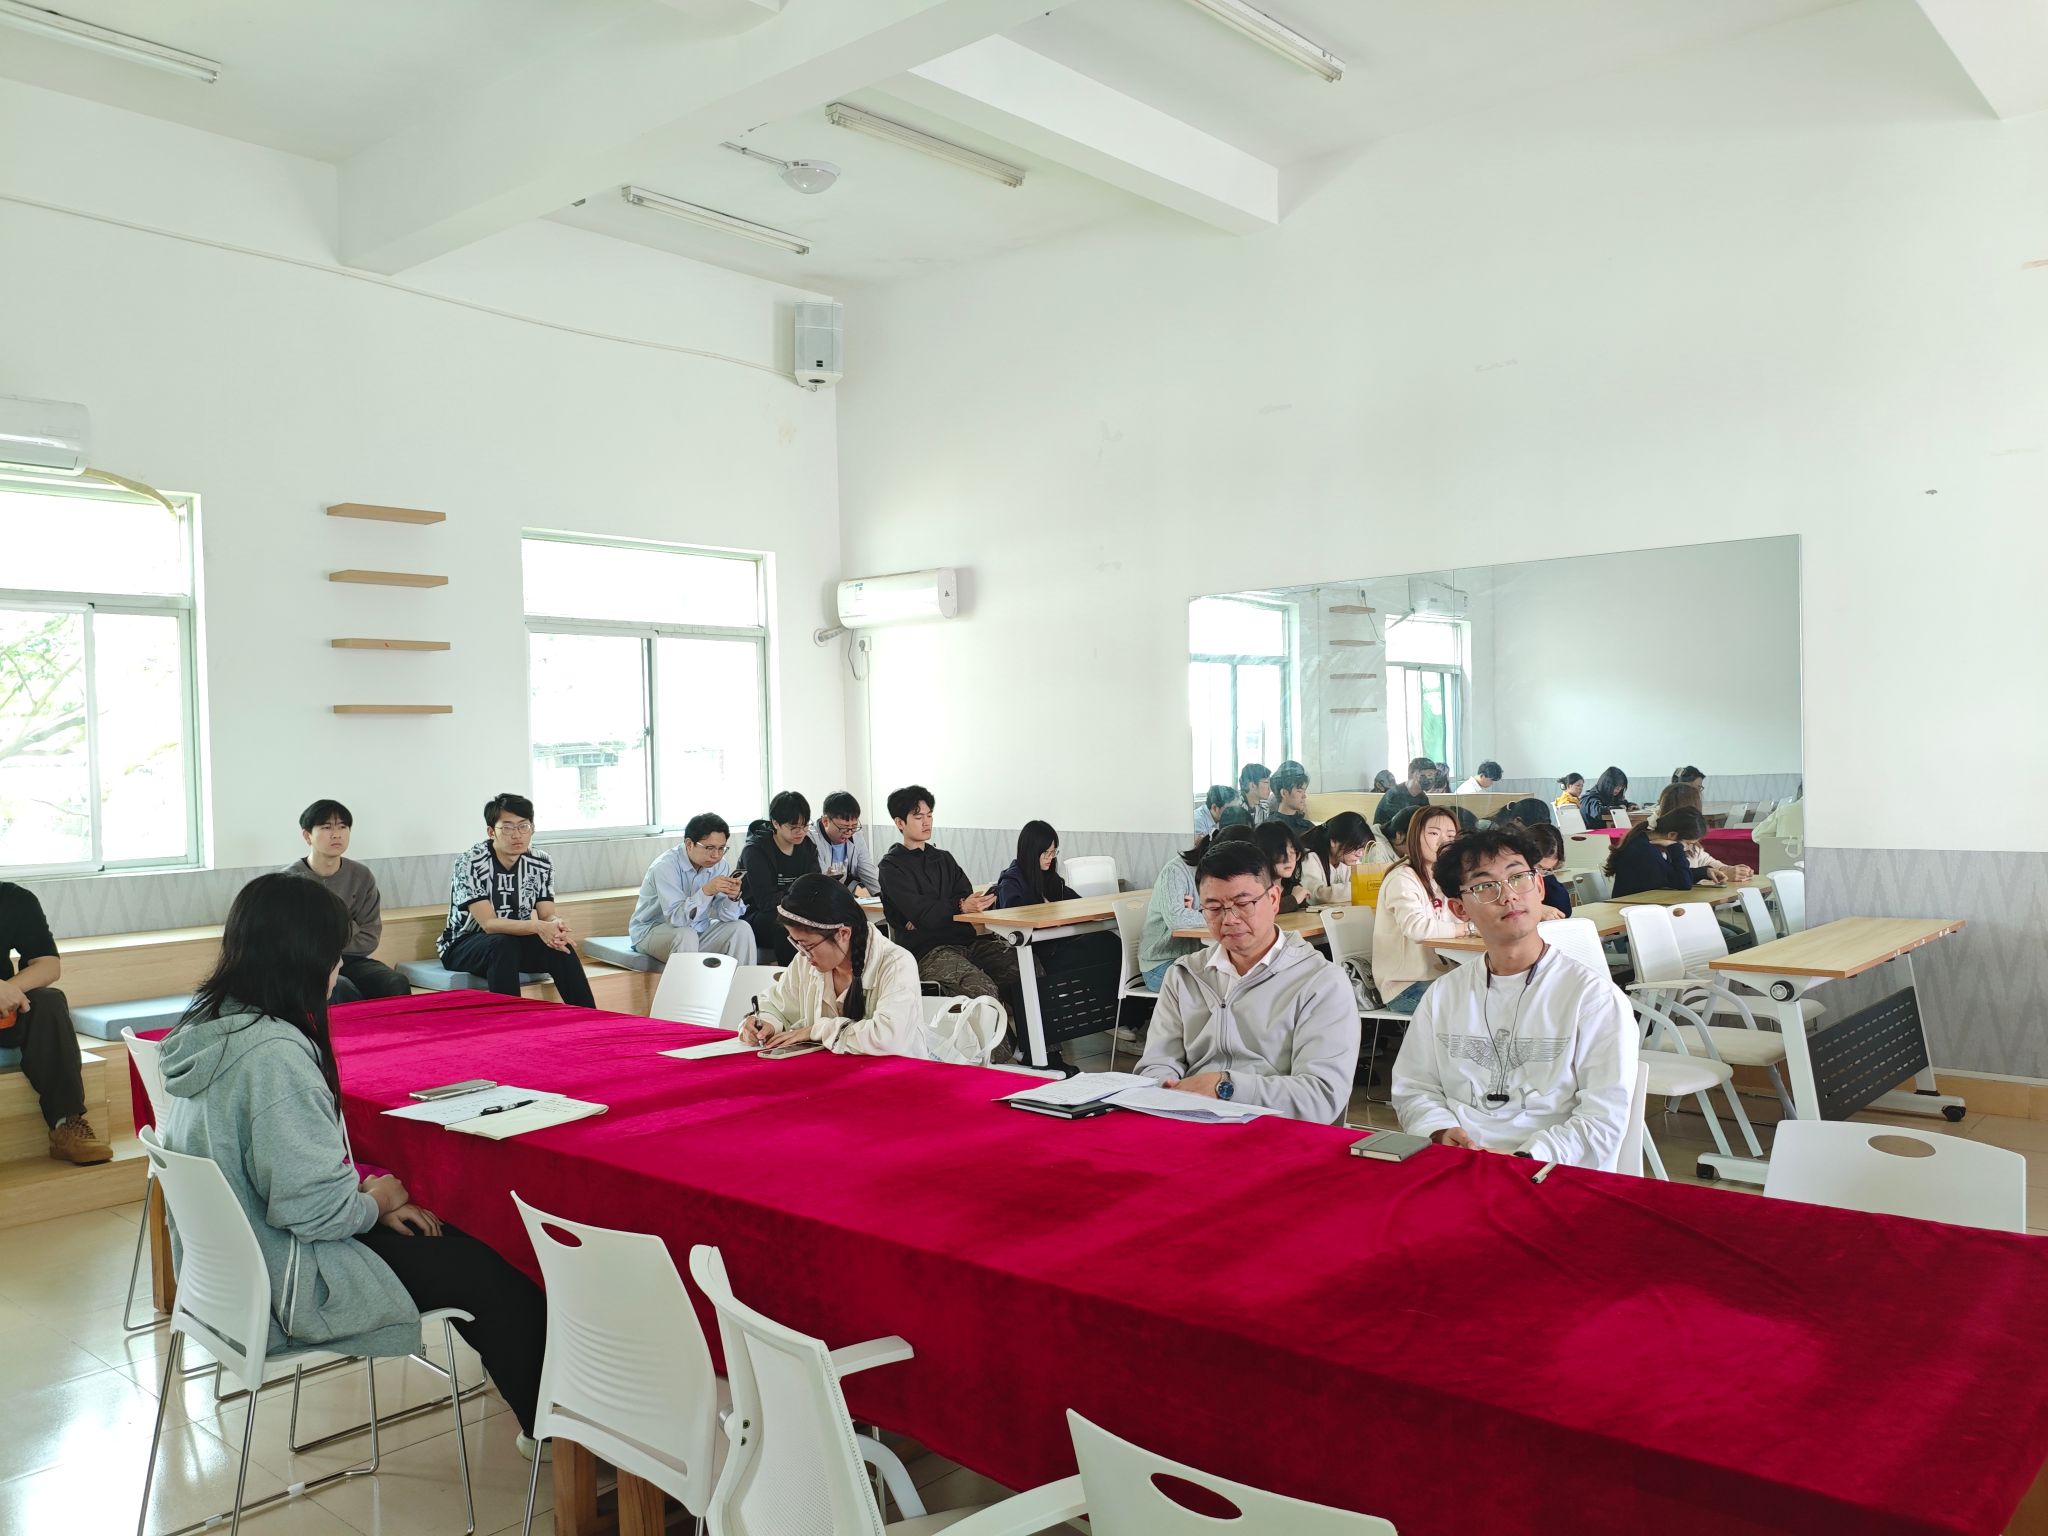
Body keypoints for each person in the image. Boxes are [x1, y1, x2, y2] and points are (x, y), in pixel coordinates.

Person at [160, 874, 546, 1442]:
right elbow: (314, 1213)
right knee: (498, 1272)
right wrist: (376, 1201)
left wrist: (364, 1200)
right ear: (304, 956)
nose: (339, 966)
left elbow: (290, 1178)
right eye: (333, 953)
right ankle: (556, 1440)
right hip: (293, 1278)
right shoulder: (273, 1056)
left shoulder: (211, 1023)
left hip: (234, 1272)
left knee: (453, 1245)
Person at [1390, 828, 1637, 1170]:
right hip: (1460, 1164)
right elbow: (1414, 1086)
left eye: (1518, 878)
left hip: (1549, 1172)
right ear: (1459, 909)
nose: (1508, 895)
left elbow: (1603, 1116)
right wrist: (1439, 1129)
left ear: (1539, 888)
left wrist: (1526, 1158)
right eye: (1484, 886)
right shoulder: (1444, 994)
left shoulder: (1592, 998)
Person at [1135, 838, 1360, 1125]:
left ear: (1274, 899)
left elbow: (1320, 1097)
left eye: (1242, 904)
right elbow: (1156, 1064)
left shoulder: (1321, 982)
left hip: (1277, 1132)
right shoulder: (1184, 975)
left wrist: (1225, 1087)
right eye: (1213, 908)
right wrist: (1164, 1087)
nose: (1229, 919)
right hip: (1191, 1125)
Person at [878, 786, 1023, 1029]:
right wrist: (956, 906)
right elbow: (923, 912)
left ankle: (1038, 1048)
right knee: (981, 988)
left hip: (967, 942)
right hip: (929, 952)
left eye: (929, 815)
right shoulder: (891, 867)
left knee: (1025, 967)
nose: (927, 822)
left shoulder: (943, 858)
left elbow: (962, 894)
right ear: (899, 822)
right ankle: (1000, 1052)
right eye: (918, 816)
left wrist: (939, 911)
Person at [736, 875, 923, 1057]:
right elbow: (777, 1004)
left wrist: (816, 1030)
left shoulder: (896, 963)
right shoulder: (805, 961)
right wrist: (766, 1023)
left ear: (843, 933)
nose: (803, 954)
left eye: (808, 945)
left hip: (896, 1073)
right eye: (796, 943)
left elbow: (888, 1037)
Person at [437, 793, 595, 1007]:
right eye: (508, 828)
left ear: (532, 828)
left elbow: (547, 913)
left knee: (560, 946)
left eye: (523, 826)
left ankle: (589, 1016)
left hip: (513, 943)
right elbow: (489, 924)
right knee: (502, 944)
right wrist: (538, 927)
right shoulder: (470, 862)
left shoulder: (541, 861)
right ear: (491, 832)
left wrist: (554, 924)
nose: (517, 835)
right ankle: (510, 1020)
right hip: (463, 945)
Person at [0, 882, 111, 1165]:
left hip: (3, 1014)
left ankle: (67, 1125)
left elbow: (48, 964)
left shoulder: (14, 898)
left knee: (48, 1002)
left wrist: (9, 990)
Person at [282, 800, 411, 1004]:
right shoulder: (288, 881)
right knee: (340, 988)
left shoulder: (361, 876)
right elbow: (291, 941)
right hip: (306, 964)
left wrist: (321, 935)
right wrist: (349, 927)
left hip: (352, 960)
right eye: (326, 827)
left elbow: (369, 937)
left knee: (395, 983)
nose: (336, 834)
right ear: (307, 836)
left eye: (342, 827)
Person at [1371, 805, 1467, 1013]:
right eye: (1433, 833)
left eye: (1451, 836)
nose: (1443, 842)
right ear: (1415, 836)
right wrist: (1465, 929)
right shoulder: (1402, 878)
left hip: (1441, 976)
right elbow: (1416, 928)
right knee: (1472, 1005)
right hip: (1406, 986)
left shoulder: (1444, 878)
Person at [629, 813, 757, 964]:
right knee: (685, 935)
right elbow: (676, 919)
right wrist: (706, 891)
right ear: (689, 844)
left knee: (741, 928)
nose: (716, 855)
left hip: (697, 929)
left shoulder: (720, 865)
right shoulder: (665, 867)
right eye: (709, 848)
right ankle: (688, 981)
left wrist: (732, 898)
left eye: (721, 848)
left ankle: (742, 980)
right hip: (652, 931)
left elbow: (727, 917)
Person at [1138, 826, 1254, 988]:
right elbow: (1176, 918)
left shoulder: (1224, 877)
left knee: (1250, 974)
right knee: (1230, 982)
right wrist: (1218, 914)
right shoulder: (1176, 872)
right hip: (1162, 964)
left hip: (1199, 957)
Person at [739, 791, 822, 964]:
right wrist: (801, 894)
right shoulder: (755, 851)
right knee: (787, 924)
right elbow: (766, 901)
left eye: (805, 826)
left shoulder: (807, 847)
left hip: (797, 910)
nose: (801, 832)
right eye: (794, 827)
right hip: (758, 916)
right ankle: (791, 976)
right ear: (776, 823)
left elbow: (816, 886)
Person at [1604, 806, 1710, 898]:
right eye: (1688, 843)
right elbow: (1683, 883)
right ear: (1672, 835)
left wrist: (1705, 872)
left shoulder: (1644, 842)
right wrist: (1676, 848)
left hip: (1641, 905)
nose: (1688, 848)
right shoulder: (1645, 851)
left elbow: (1671, 875)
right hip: (1629, 909)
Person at [991, 820, 1079, 910]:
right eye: (1046, 852)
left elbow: (1078, 902)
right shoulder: (1011, 881)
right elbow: (1014, 914)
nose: (1050, 857)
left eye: (1053, 852)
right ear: (1030, 852)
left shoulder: (1049, 876)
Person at [807, 791, 881, 897]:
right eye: (843, 827)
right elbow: (817, 878)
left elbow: (866, 867)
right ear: (825, 821)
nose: (849, 832)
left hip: (844, 892)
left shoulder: (856, 835)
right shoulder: (811, 838)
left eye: (854, 826)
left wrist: (881, 896)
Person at [1299, 812, 1372, 905]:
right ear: (1333, 841)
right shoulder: (1311, 858)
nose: (1360, 854)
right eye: (1355, 847)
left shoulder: (1350, 861)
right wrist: (1359, 887)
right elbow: (1316, 895)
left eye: (1362, 848)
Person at [1252, 822, 1311, 914]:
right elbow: (1259, 912)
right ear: (1263, 853)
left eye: (1293, 851)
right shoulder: (1254, 889)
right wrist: (1293, 900)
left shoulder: (1293, 888)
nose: (1289, 859)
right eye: (1281, 852)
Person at [1523, 822, 1575, 918]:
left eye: (1548, 870)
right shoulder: (1510, 876)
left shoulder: (1545, 878)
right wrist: (1535, 908)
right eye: (1538, 867)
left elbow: (1564, 910)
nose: (1541, 874)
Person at [1373, 756, 1435, 830]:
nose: (1432, 779)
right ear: (1415, 774)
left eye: (1434, 776)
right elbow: (1396, 827)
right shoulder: (1394, 795)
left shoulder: (1423, 797)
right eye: (1429, 775)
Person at [1217, 762, 1272, 829]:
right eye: (1266, 782)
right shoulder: (1234, 805)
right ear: (1252, 785)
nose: (1270, 788)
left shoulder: (1264, 807)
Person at [1266, 761, 1314, 836]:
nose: (1304, 796)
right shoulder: (1268, 829)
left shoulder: (1309, 828)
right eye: (1299, 791)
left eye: (1304, 791)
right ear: (1284, 793)